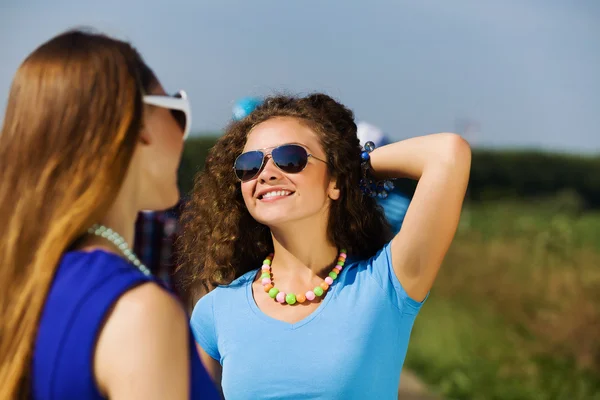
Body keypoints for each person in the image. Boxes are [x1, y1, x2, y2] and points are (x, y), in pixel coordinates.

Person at [178, 93, 471, 399]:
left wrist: (348, 169)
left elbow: (448, 153)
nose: (266, 173)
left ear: (334, 181)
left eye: (290, 158)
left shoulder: (385, 285)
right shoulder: (216, 309)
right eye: (250, 164)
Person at [0, 29, 219, 399]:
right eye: (177, 111)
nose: (182, 135)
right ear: (141, 127)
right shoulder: (140, 312)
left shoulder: (22, 284)